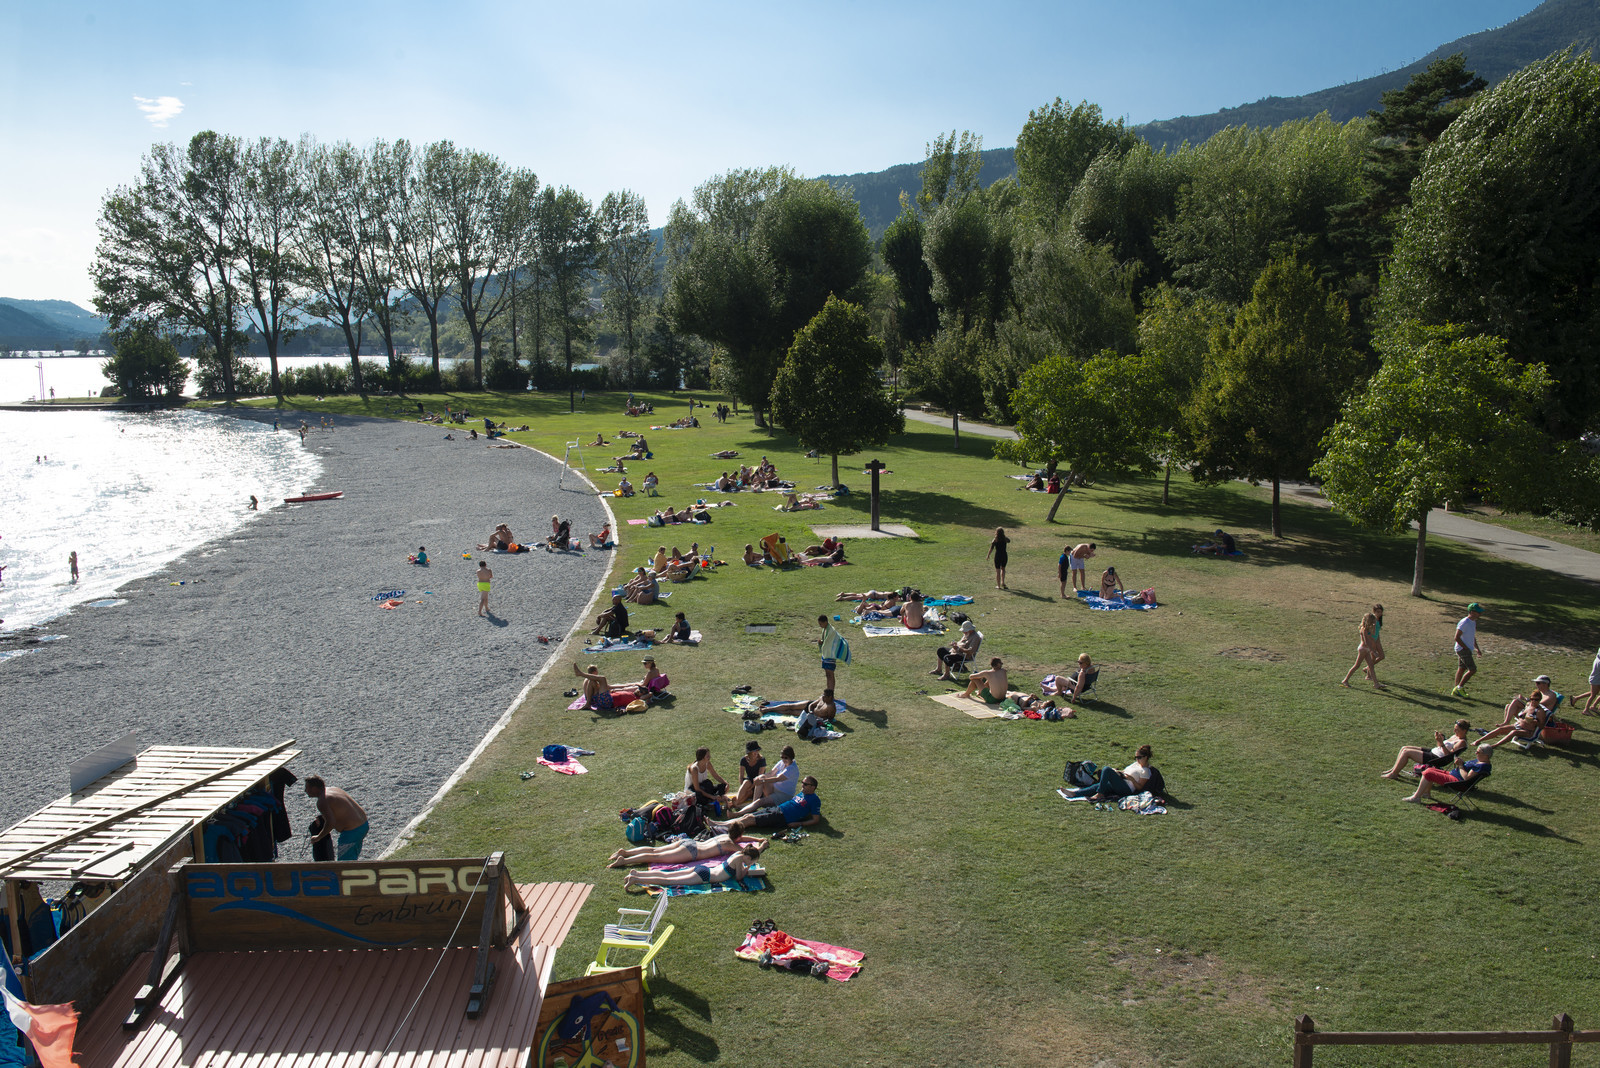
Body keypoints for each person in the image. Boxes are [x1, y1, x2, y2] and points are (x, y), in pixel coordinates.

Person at [711, 776, 822, 834]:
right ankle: (720, 824)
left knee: (749, 820)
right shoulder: (802, 793)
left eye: (805, 784)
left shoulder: (814, 800)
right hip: (777, 809)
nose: (802, 785)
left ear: (813, 787)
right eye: (802, 783)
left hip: (782, 817)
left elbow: (816, 819)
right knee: (747, 816)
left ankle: (721, 828)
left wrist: (799, 823)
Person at [621, 845, 763, 889]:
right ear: (749, 858)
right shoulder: (740, 860)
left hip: (703, 869)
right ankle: (635, 879)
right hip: (706, 876)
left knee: (669, 875)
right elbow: (739, 877)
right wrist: (747, 868)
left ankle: (637, 874)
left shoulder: (738, 853)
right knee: (669, 881)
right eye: (752, 861)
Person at [608, 832, 769, 869]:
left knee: (655, 850)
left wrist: (757, 839)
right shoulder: (731, 846)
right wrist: (761, 846)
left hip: (688, 842)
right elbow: (746, 856)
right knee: (657, 857)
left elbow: (742, 838)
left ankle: (626, 852)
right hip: (692, 853)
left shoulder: (724, 836)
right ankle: (625, 860)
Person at [1382, 720, 1474, 779]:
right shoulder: (1455, 736)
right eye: (1454, 729)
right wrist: (1439, 740)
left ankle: (1394, 774)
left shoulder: (1461, 742)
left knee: (1407, 752)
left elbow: (1448, 756)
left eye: (1457, 729)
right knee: (1404, 748)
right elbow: (1440, 746)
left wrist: (1441, 743)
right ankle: (1394, 770)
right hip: (1433, 751)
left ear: (1464, 731)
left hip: (1437, 758)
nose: (1454, 731)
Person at [305, 776, 369, 860]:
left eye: (307, 788)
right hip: (363, 825)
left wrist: (318, 837)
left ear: (314, 788)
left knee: (344, 864)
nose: (305, 791)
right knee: (352, 859)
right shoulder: (333, 789)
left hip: (352, 832)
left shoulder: (322, 801)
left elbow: (330, 823)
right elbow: (342, 808)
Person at [1062, 745, 1155, 801]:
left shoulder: (1145, 771)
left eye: (1139, 757)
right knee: (1100, 785)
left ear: (1146, 757)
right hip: (1121, 781)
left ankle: (1100, 794)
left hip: (1127, 789)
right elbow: (1126, 771)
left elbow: (1140, 787)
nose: (1137, 759)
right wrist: (1118, 772)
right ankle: (1074, 794)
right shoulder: (1136, 764)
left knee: (1106, 769)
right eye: (1136, 757)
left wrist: (1132, 780)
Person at [1402, 745, 1492, 803]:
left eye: (1478, 752)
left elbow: (1466, 778)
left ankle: (1416, 797)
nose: (1476, 753)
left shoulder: (1480, 766)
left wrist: (1460, 765)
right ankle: (1426, 793)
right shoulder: (1482, 762)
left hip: (1458, 782)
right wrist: (1461, 762)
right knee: (1430, 769)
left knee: (1428, 773)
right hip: (1455, 776)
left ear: (1486, 755)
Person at [733, 744, 799, 813]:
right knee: (760, 778)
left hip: (783, 795)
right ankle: (751, 804)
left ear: (791, 757)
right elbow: (771, 773)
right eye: (782, 757)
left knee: (761, 801)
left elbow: (777, 778)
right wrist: (759, 778)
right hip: (774, 790)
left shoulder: (792, 768)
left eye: (786, 758)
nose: (783, 759)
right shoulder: (782, 763)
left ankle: (739, 813)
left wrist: (762, 781)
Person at [1341, 611, 1387, 690]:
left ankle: (1376, 684)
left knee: (1371, 666)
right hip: (1363, 649)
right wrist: (1373, 651)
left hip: (1366, 650)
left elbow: (1373, 636)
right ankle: (1345, 680)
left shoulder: (1368, 629)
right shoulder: (1364, 630)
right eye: (1372, 621)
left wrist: (1375, 626)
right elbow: (1366, 642)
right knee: (1357, 665)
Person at [1451, 603, 1483, 697]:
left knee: (1462, 668)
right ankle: (1459, 688)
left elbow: (1472, 637)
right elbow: (1456, 637)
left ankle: (1456, 689)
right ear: (1472, 612)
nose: (1480, 614)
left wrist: (1477, 649)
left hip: (1467, 649)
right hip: (1463, 649)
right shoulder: (1464, 622)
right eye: (1478, 612)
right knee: (1472, 670)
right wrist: (1465, 648)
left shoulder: (1473, 622)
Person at [816, 614, 849, 690]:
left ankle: (831, 692)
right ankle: (829, 690)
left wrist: (822, 643)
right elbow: (826, 642)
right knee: (827, 674)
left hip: (830, 656)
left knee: (830, 674)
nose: (820, 626)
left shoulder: (831, 631)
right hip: (826, 655)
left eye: (821, 624)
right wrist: (821, 642)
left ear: (825, 622)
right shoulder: (825, 629)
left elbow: (830, 643)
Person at [734, 741, 767, 807]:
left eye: (757, 750)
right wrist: (742, 785)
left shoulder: (761, 760)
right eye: (754, 751)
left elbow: (759, 777)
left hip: (758, 783)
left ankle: (736, 803)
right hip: (749, 780)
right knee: (746, 782)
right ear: (749, 752)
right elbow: (741, 775)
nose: (756, 753)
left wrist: (750, 788)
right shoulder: (743, 760)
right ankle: (738, 801)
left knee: (748, 790)